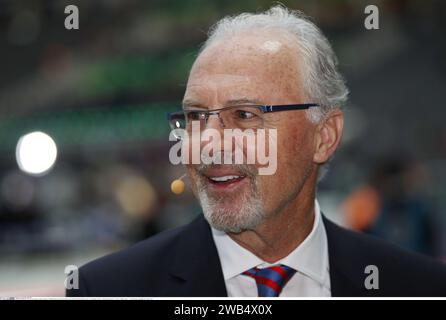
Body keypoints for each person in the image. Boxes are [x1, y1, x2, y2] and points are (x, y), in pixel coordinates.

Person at [67, 5, 446, 297]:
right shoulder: (103, 291)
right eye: (197, 116)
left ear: (324, 136)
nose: (208, 143)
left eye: (245, 114)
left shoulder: (420, 288)